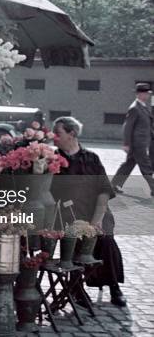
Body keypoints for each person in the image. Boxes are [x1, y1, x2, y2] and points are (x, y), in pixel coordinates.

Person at [51, 116, 126, 307]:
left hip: (96, 212)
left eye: (57, 133)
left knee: (106, 239)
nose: (54, 137)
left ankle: (114, 286)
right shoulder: (51, 160)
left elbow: (103, 191)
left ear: (72, 134)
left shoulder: (91, 158)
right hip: (68, 214)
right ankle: (76, 288)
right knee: (72, 237)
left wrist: (96, 221)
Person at [111, 83, 154, 196]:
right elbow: (128, 126)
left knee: (128, 164)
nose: (148, 95)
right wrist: (126, 143)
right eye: (146, 93)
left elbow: (148, 126)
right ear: (140, 94)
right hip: (137, 143)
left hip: (142, 142)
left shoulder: (143, 106)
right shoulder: (135, 108)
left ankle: (113, 185)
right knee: (145, 165)